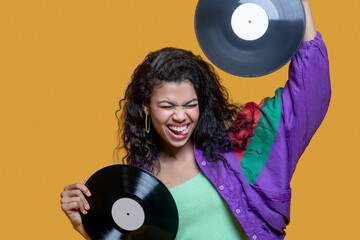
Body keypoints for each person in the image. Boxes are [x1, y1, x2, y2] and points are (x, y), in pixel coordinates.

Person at [60, 0, 330, 239]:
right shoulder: (136, 180)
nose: (180, 115)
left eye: (190, 104)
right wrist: (86, 228)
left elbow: (309, 95)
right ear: (145, 107)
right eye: (167, 106)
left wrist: (300, 5)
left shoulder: (240, 142)